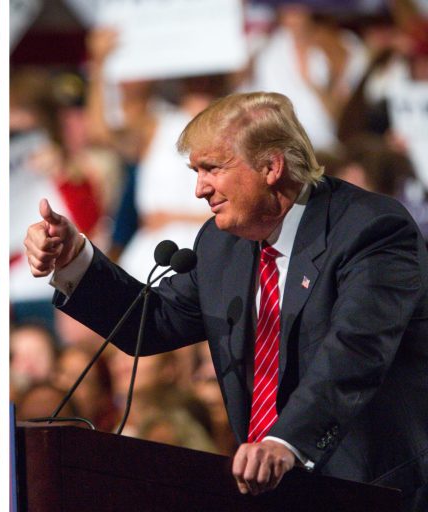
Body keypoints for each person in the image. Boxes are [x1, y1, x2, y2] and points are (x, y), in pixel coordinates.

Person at [24, 91, 428, 510]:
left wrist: (285, 441)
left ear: (271, 166)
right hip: (268, 491)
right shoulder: (222, 245)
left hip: (376, 489)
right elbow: (152, 320)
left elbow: (355, 351)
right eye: (195, 171)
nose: (199, 189)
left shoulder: (372, 230)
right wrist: (75, 261)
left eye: (211, 168)